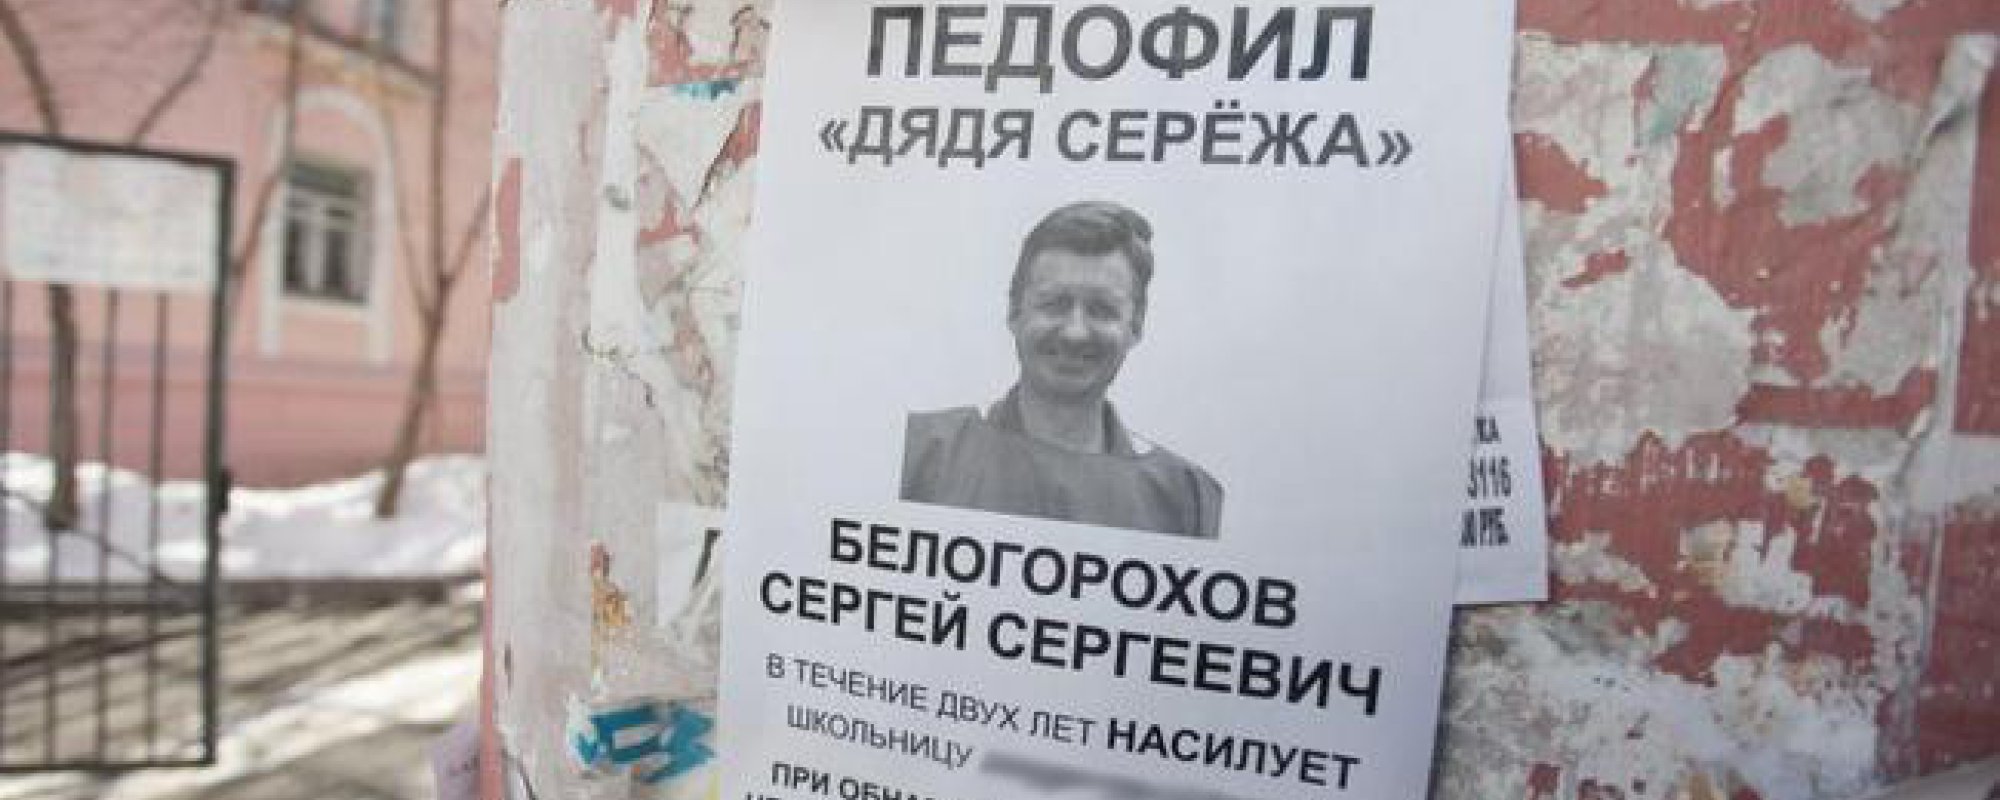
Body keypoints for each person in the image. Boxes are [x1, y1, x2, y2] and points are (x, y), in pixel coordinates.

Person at [900, 201, 1223, 538]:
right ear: (1014, 312)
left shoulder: (1189, 498)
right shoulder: (920, 453)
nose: (1074, 332)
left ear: (1136, 325)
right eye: (1054, 304)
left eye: (1102, 309)